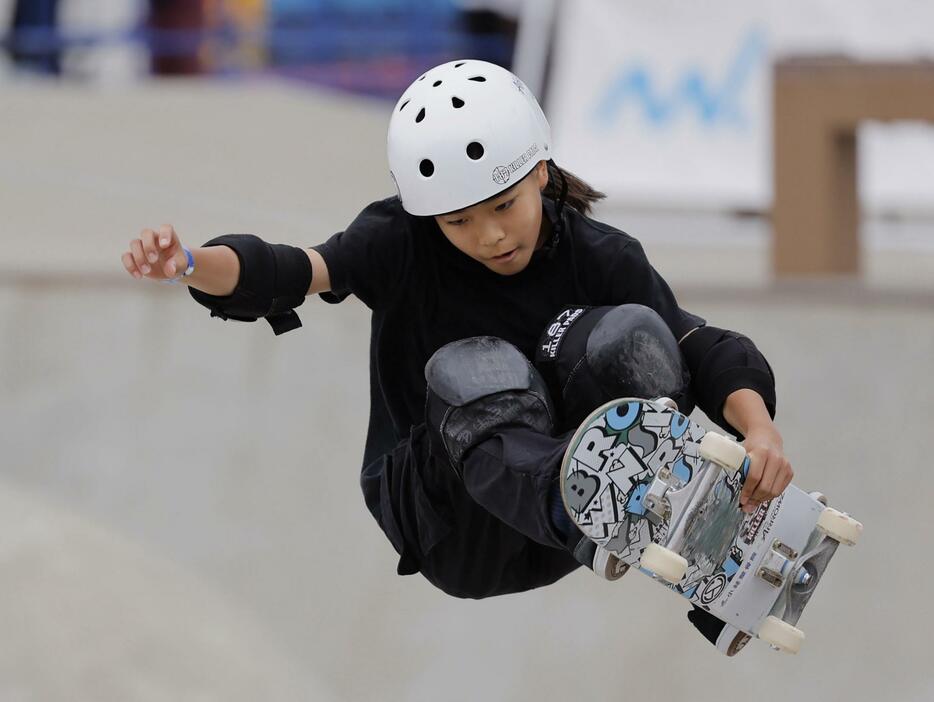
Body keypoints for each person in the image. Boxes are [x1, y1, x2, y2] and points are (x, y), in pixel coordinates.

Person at [120, 60, 792, 655]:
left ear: (541, 173)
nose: (490, 236)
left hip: (562, 543)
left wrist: (757, 429)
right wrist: (187, 263)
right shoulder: (398, 241)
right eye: (459, 221)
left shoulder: (602, 255)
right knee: (477, 364)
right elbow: (294, 270)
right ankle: (575, 499)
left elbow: (693, 346)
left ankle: (705, 548)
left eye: (504, 206)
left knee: (627, 335)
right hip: (450, 521)